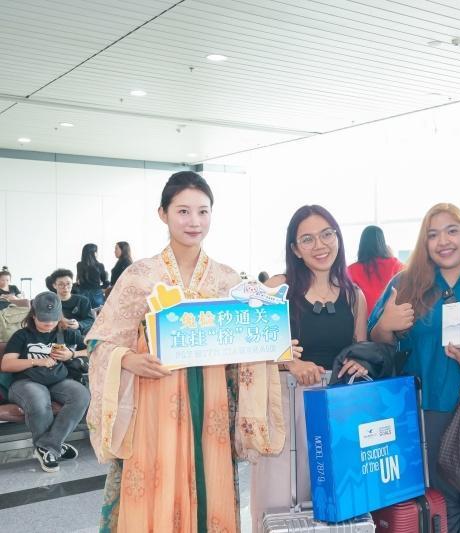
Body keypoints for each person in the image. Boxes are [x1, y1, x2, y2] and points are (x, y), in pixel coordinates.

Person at [86, 171, 286, 532]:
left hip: (210, 404)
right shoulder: (139, 276)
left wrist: (276, 347)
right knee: (156, 488)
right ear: (162, 214)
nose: (194, 221)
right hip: (154, 402)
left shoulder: (227, 280)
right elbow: (102, 342)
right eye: (183, 211)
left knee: (210, 484)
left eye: (203, 211)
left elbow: (247, 341)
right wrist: (129, 360)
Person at [369, 203, 460, 532]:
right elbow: (376, 344)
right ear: (424, 242)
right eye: (433, 234)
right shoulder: (405, 285)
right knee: (441, 514)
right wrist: (385, 325)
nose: (443, 241)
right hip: (427, 416)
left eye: (452, 231)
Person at [250, 205, 368, 528]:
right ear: (295, 249)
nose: (320, 245)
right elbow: (250, 339)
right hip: (286, 408)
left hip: (335, 410)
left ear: (338, 238)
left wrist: (359, 361)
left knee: (331, 501)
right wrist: (290, 362)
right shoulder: (278, 288)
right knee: (280, 497)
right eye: (307, 239)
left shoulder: (353, 295)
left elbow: (360, 348)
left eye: (327, 234)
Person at [0, 291, 89, 472]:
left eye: (53, 319)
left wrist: (72, 354)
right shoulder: (22, 335)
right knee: (39, 400)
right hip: (25, 381)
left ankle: (48, 446)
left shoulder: (67, 334)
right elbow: (7, 364)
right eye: (43, 319)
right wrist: (36, 361)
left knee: (81, 395)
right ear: (33, 315)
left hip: (58, 380)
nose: (49, 323)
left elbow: (94, 349)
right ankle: (54, 447)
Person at [347, 225, 404, 315]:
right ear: (382, 242)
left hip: (362, 320)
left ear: (362, 244)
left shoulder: (350, 270)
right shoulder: (395, 264)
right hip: (391, 318)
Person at [48, 268, 94, 335]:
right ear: (54, 285)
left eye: (68, 283)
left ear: (72, 284)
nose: (65, 287)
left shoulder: (83, 300)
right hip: (55, 334)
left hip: (78, 334)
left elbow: (90, 320)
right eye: (61, 284)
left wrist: (79, 324)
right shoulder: (49, 302)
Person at [75, 243, 109, 307]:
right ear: (94, 253)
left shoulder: (79, 265)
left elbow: (79, 281)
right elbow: (105, 282)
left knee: (83, 311)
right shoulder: (100, 265)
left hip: (82, 295)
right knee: (98, 311)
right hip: (97, 296)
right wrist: (99, 288)